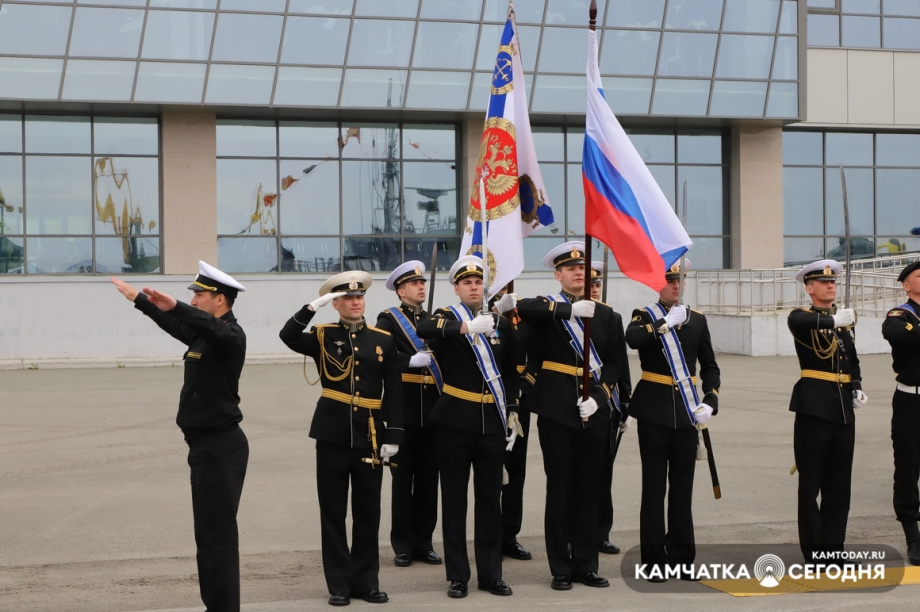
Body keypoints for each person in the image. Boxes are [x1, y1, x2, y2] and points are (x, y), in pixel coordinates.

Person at [111, 261, 249, 612]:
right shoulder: (204, 334)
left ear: (220, 300)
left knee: (217, 540)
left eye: (200, 295)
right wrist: (140, 300)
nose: (195, 300)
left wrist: (176, 305)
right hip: (204, 447)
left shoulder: (231, 336)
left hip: (220, 447)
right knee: (207, 537)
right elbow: (176, 325)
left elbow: (199, 322)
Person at [278, 271, 404, 606]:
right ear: (335, 304)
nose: (354, 302)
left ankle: (367, 582)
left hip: (370, 435)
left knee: (368, 513)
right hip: (332, 434)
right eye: (347, 298)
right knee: (332, 513)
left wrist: (393, 435)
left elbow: (394, 392)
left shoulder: (383, 339)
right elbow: (287, 335)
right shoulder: (322, 335)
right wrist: (310, 308)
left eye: (359, 297)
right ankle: (338, 584)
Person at [517, 242, 625, 591]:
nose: (579, 272)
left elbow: (614, 364)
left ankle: (586, 564)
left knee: (589, 489)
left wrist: (599, 397)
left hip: (593, 409)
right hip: (556, 409)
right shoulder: (549, 309)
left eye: (583, 268)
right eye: (571, 268)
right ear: (558, 275)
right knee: (560, 488)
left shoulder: (608, 315)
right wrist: (569, 311)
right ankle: (560, 567)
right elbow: (523, 307)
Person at [417, 255, 519, 599]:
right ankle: (458, 575)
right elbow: (424, 329)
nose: (474, 287)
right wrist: (465, 328)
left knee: (491, 501)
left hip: (491, 423)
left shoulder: (500, 325)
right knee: (455, 501)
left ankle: (491, 575)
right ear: (457, 288)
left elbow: (512, 370)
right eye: (467, 283)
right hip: (455, 423)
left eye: (479, 283)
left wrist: (513, 409)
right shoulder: (448, 317)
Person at [625, 260, 720, 582]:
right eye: (669, 280)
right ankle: (653, 561)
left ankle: (681, 558)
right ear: (656, 283)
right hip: (653, 411)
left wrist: (711, 399)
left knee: (682, 490)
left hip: (686, 412)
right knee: (653, 489)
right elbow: (634, 340)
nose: (676, 285)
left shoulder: (697, 320)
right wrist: (664, 323)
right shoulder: (644, 315)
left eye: (679, 279)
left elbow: (709, 366)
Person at [787, 259, 864, 564]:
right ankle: (815, 552)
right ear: (810, 288)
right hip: (814, 408)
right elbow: (801, 324)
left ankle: (834, 549)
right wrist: (834, 322)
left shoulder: (843, 319)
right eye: (823, 282)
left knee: (838, 485)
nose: (831, 285)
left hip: (843, 408)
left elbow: (852, 359)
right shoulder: (802, 317)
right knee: (810, 485)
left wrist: (856, 384)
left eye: (833, 282)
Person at [375, 260, 443, 568]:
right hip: (403, 410)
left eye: (423, 283)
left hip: (433, 410)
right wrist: (408, 360)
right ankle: (402, 544)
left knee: (429, 482)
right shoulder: (388, 320)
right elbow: (382, 357)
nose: (421, 287)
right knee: (402, 482)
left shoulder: (434, 319)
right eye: (415, 284)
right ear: (401, 290)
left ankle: (424, 542)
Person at [588, 260, 632, 556]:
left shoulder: (611, 317)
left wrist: (626, 401)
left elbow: (620, 362)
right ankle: (571, 532)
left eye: (597, 284)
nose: (593, 289)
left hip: (607, 403)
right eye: (590, 285)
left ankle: (601, 533)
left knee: (604, 476)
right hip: (578, 404)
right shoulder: (572, 317)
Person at [490, 285, 536, 562]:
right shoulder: (480, 313)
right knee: (490, 474)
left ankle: (510, 535)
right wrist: (495, 311)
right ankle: (489, 536)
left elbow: (537, 357)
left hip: (518, 398)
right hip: (487, 397)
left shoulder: (525, 316)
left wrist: (523, 388)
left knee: (515, 471)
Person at [882, 260, 920, 565]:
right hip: (911, 401)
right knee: (908, 467)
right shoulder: (899, 314)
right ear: (906, 285)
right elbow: (900, 335)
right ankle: (912, 534)